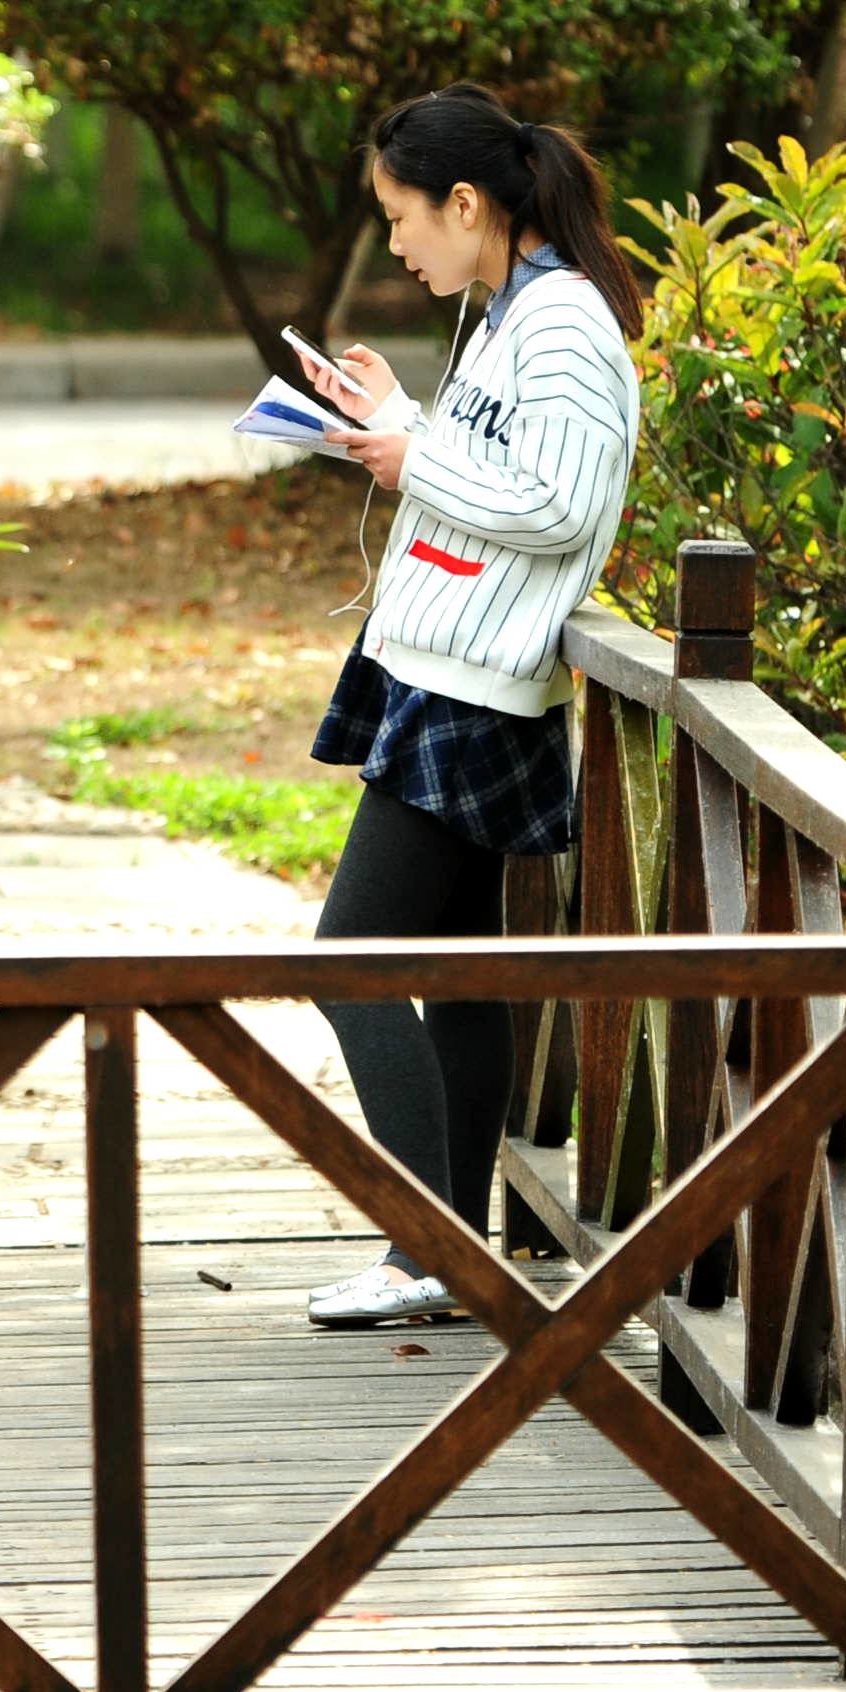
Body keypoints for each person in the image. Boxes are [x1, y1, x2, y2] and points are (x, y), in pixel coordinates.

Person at [281, 86, 645, 1329]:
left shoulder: (563, 329)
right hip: (443, 667)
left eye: (400, 219)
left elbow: (556, 505)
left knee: (353, 965)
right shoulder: (508, 316)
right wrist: (396, 420)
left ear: (467, 202)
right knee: (456, 973)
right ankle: (453, 1250)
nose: (394, 245)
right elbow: (501, 468)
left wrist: (411, 456)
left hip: (474, 693)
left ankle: (424, 1251)